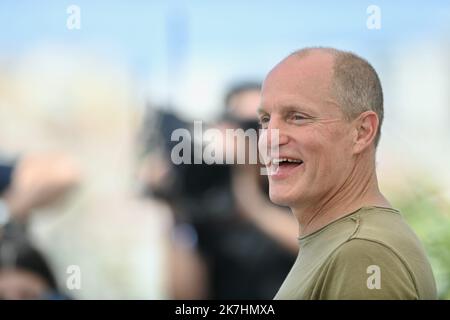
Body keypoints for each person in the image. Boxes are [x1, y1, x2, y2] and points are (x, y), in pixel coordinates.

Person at [258, 47, 437, 299]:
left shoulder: (363, 252)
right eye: (265, 120)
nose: (270, 138)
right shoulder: (343, 242)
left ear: (362, 132)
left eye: (297, 117)